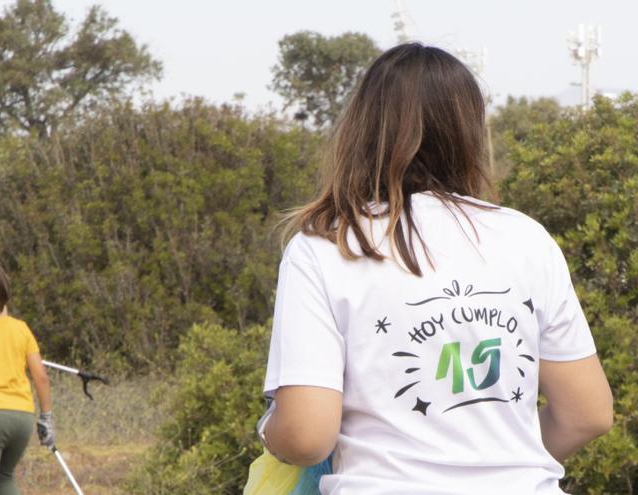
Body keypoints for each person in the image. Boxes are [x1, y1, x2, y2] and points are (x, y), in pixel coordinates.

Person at [260, 42, 614, 494]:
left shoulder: (326, 245)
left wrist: (271, 430)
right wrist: (496, 462)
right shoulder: (527, 238)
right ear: (469, 131)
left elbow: (307, 436)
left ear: (362, 129)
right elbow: (588, 414)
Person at [0, 265, 54, 495]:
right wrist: (47, 419)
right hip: (22, 418)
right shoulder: (21, 329)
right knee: (3, 478)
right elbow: (41, 377)